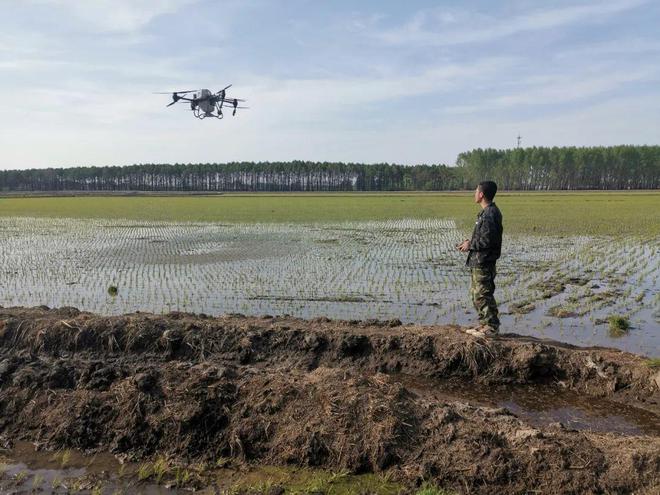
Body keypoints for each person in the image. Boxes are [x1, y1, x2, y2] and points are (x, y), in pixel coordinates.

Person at [456, 181, 503, 337]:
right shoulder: (487, 212)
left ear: (481, 194)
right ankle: (484, 324)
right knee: (476, 295)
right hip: (479, 260)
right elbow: (484, 238)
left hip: (484, 262)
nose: (474, 194)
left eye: (476, 191)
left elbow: (488, 241)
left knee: (483, 295)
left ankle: (491, 327)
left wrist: (470, 244)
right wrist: (468, 243)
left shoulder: (489, 214)